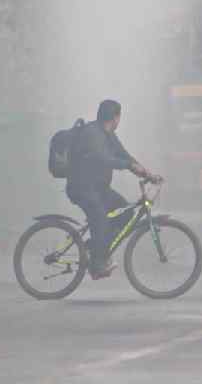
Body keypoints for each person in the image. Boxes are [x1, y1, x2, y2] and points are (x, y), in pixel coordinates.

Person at [67, 99, 159, 279]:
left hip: (99, 188)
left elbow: (124, 155)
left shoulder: (108, 135)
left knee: (125, 215)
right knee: (100, 218)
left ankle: (98, 249)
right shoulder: (92, 133)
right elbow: (103, 159)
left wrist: (147, 173)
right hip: (82, 188)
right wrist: (129, 166)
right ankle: (97, 263)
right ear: (116, 117)